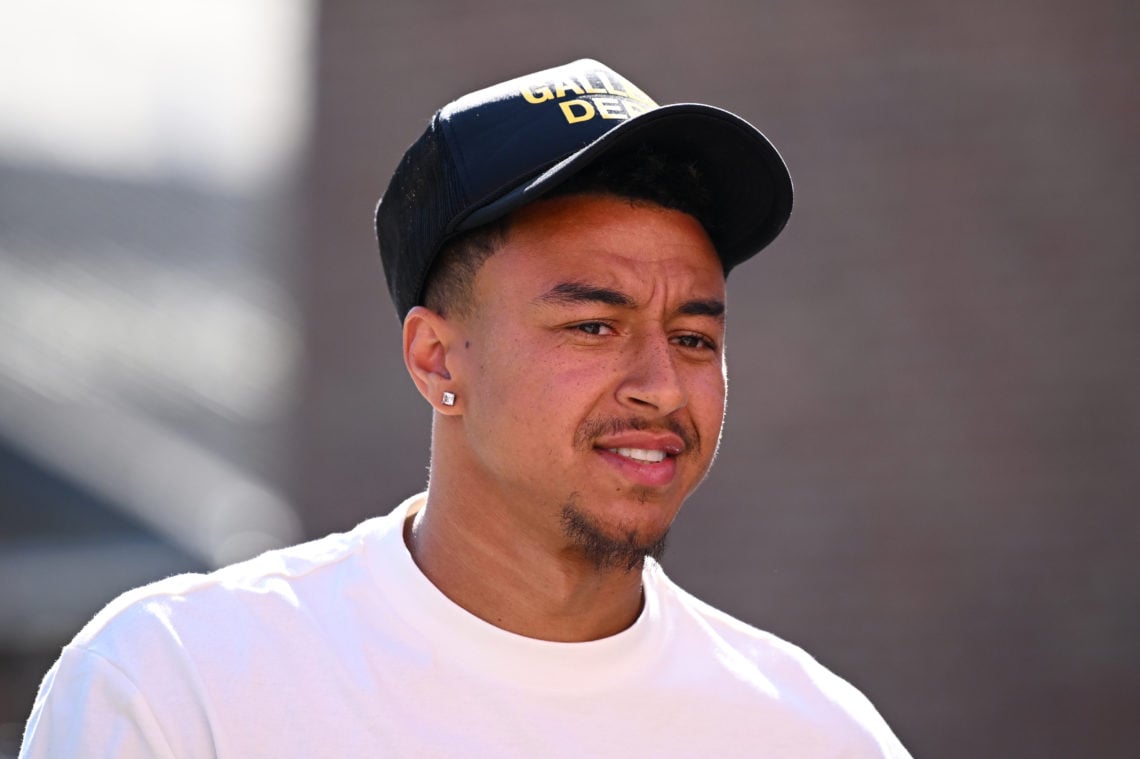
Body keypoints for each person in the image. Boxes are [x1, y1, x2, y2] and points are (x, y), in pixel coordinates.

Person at [20, 59, 911, 757]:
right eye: (596, 325)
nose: (663, 386)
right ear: (436, 357)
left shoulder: (817, 737)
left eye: (693, 337)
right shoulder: (178, 686)